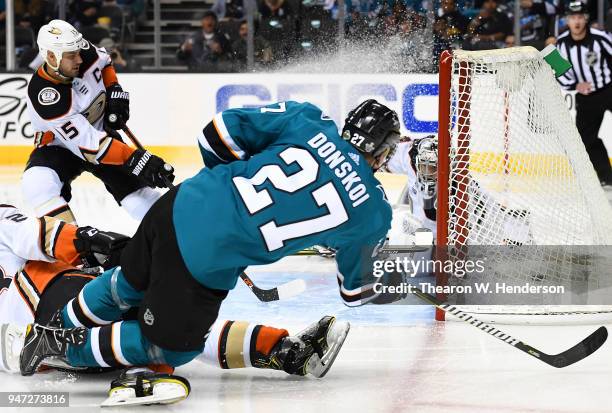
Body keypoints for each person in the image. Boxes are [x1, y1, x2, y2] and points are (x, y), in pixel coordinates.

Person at [19, 99, 401, 403]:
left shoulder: (307, 118)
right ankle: (61, 346)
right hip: (204, 259)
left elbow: (214, 135)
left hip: (177, 204)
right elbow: (357, 292)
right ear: (382, 154)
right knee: (171, 349)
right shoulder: (374, 213)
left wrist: (226, 194)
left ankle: (57, 323)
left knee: (127, 284)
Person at [0, 206, 345, 406]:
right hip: (52, 326)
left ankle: (285, 351)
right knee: (165, 316)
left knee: (176, 320)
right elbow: (38, 236)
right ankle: (142, 370)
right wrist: (89, 240)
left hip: (56, 339)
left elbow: (31, 234)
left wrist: (93, 246)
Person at [23, 20, 175, 225]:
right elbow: (91, 147)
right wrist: (136, 158)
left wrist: (113, 89)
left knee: (140, 198)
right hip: (60, 147)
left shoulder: (80, 49)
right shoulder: (45, 95)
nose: (79, 59)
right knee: (37, 184)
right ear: (51, 56)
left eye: (78, 51)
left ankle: (173, 230)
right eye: (71, 56)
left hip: (102, 134)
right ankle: (70, 244)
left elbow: (105, 62)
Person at [555, 1, 612, 187]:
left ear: (585, 19)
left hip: (609, 89)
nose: (577, 22)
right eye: (572, 18)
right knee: (585, 139)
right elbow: (559, 70)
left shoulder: (600, 37)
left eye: (580, 17)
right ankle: (608, 177)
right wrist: (575, 84)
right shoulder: (561, 43)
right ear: (567, 20)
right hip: (586, 98)